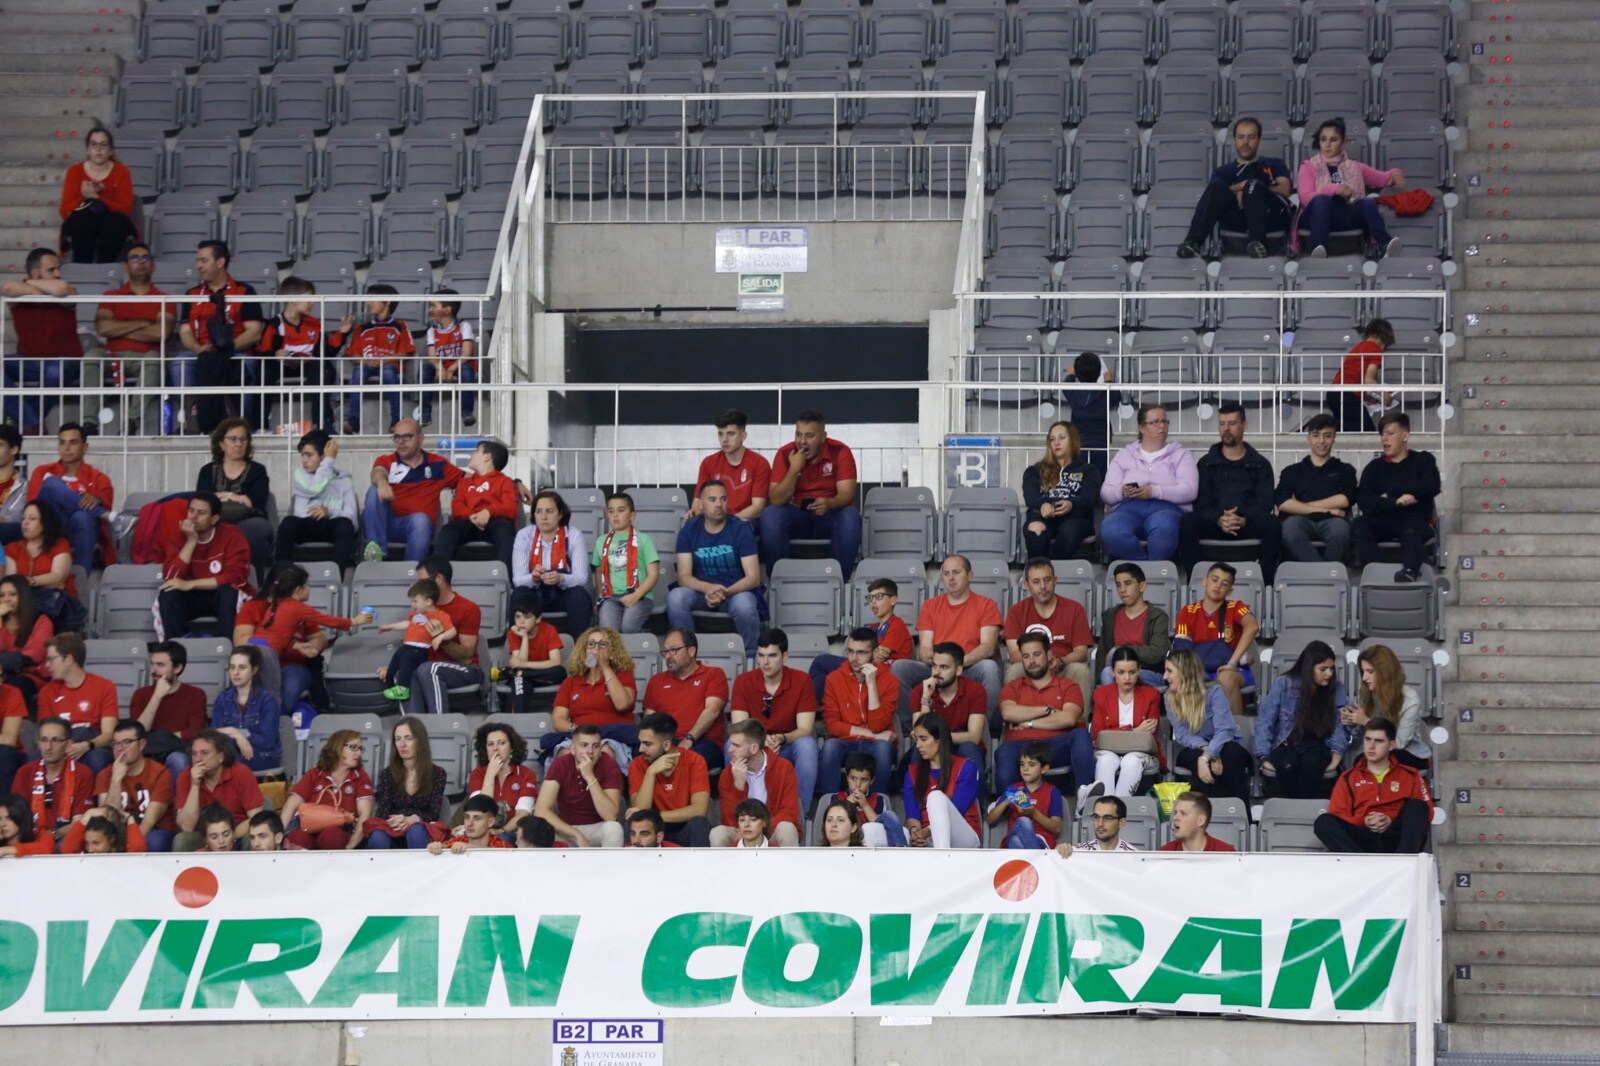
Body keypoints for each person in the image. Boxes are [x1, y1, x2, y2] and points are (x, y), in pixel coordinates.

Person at [244, 564, 372, 712]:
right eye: (308, 585)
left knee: (256, 692)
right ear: (299, 589)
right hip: (267, 653)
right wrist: (354, 621)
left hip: (251, 647)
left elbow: (272, 633)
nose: (310, 588)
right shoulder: (297, 607)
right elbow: (326, 619)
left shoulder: (276, 604)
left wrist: (297, 646)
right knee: (273, 697)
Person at [1180, 402, 1282, 583]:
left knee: (1273, 524)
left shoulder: (1260, 464)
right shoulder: (1206, 463)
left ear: (1245, 426)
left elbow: (1265, 503)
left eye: (1232, 423)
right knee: (1188, 521)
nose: (1226, 429)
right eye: (1222, 423)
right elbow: (1201, 503)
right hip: (1215, 524)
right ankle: (1194, 583)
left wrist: (1243, 519)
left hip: (1247, 524)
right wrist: (1219, 519)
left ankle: (1267, 587)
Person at [894, 554, 1002, 724]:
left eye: (956, 572)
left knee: (989, 668)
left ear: (970, 576)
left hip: (970, 668)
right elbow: (924, 649)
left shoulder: (986, 605)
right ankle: (914, 728)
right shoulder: (931, 606)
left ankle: (982, 728)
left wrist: (955, 665)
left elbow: (987, 647)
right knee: (900, 667)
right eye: (946, 574)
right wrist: (940, 666)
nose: (951, 578)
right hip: (937, 667)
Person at [996, 631, 1095, 815]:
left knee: (1081, 736)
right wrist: (1046, 710)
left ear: (1049, 656)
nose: (1031, 660)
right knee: (1003, 751)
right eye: (1026, 656)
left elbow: (1068, 718)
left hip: (1056, 746)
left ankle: (1083, 801)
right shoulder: (1013, 687)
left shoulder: (1068, 686)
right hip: (1020, 747)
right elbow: (1008, 712)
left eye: (1037, 654)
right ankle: (1012, 809)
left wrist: (1028, 723)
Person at [759, 408, 862, 577]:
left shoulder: (840, 451)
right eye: (798, 435)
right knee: (770, 515)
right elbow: (776, 499)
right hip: (795, 514)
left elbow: (847, 493)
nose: (802, 442)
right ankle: (778, 581)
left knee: (850, 516)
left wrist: (830, 503)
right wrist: (794, 468)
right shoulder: (785, 453)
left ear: (823, 437)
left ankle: (840, 582)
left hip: (828, 515)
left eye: (809, 436)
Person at [177, 240, 265, 434]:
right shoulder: (191, 294)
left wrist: (226, 348)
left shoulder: (244, 291)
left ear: (220, 262)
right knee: (180, 363)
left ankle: (245, 427)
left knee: (246, 365)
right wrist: (199, 350)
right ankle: (190, 424)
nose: (198, 266)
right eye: (198, 261)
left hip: (235, 353)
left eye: (203, 260)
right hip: (201, 353)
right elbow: (185, 332)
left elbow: (254, 332)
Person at [1177, 116, 1293, 259]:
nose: (1245, 142)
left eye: (1251, 137)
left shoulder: (1274, 164)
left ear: (1259, 139)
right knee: (1216, 187)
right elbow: (1215, 199)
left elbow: (1285, 190)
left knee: (1253, 185)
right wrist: (1239, 187)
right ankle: (1192, 243)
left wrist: (1252, 188)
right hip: (1237, 218)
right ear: (1234, 140)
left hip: (1268, 216)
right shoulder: (1223, 171)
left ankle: (1257, 243)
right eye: (1240, 137)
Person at [729, 627, 820, 810]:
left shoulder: (801, 680)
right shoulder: (743, 681)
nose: (765, 662)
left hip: (787, 744)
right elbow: (739, 728)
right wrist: (761, 743)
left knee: (807, 745)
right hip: (754, 745)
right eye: (761, 656)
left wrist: (781, 738)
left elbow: (805, 729)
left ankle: (802, 813)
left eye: (772, 656)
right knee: (729, 748)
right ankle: (740, 810)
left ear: (785, 656)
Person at [670, 480, 761, 657]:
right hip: (701, 593)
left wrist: (725, 592)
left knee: (746, 605)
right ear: (701, 504)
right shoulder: (689, 530)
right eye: (712, 499)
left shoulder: (741, 528)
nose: (719, 504)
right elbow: (683, 576)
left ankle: (751, 657)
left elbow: (753, 577)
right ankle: (687, 655)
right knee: (675, 598)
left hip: (734, 592)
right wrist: (708, 588)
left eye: (723, 499)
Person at [1315, 717, 1433, 853]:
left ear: (1391, 745)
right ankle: (1360, 862)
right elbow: (1338, 814)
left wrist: (1389, 820)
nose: (1371, 746)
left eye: (1379, 741)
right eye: (1367, 739)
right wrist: (1364, 821)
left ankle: (1403, 862)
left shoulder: (1411, 775)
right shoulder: (1348, 777)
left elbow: (1427, 814)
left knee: (1418, 806)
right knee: (1324, 822)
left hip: (1396, 838)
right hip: (1361, 838)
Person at [1293, 117, 1405, 259]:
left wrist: (1395, 174)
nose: (1327, 145)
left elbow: (1384, 178)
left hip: (1344, 216)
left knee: (1368, 202)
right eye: (1323, 139)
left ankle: (1385, 243)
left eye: (1333, 140)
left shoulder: (1355, 166)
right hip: (1315, 216)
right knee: (1322, 200)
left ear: (1342, 142)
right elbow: (1305, 197)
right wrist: (1334, 189)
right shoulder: (1308, 166)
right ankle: (1319, 250)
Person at [1099, 404, 1197, 563]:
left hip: (1167, 509)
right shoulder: (1124, 455)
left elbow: (1190, 490)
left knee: (1164, 527)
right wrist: (1122, 492)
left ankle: (1149, 572)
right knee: (1111, 529)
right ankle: (1147, 570)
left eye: (1165, 422)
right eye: (1155, 422)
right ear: (1141, 428)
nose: (1162, 426)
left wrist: (1154, 491)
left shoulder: (1180, 455)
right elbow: (1106, 493)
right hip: (1128, 509)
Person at [253, 275, 348, 432]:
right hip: (281, 367)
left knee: (321, 368)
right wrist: (276, 354)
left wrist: (342, 334)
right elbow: (262, 352)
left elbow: (325, 351)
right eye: (308, 299)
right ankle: (260, 426)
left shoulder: (314, 323)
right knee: (264, 373)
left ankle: (323, 425)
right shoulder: (275, 325)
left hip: (307, 365)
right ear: (292, 300)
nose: (313, 303)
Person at [1256, 640, 1349, 799]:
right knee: (1288, 764)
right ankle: (1292, 811)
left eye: (1331, 668)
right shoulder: (1284, 683)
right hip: (1285, 744)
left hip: (1318, 746)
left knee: (1313, 762)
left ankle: (1302, 810)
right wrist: (1262, 756)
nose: (1329, 674)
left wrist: (1336, 757)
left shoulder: (1336, 688)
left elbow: (1340, 726)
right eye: (1323, 669)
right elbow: (1265, 720)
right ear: (1308, 668)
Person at [1, 249, 82, 434]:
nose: (58, 274)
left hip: (67, 359)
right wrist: (41, 287)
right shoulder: (18, 293)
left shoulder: (67, 290)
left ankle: (24, 425)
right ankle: (32, 423)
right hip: (29, 360)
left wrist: (29, 284)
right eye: (52, 270)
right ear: (36, 273)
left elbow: (61, 289)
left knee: (55, 371)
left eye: (58, 269)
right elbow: (7, 289)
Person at [1354, 412, 1440, 583]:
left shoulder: (1423, 460)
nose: (1384, 439)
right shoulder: (1374, 467)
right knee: (1359, 525)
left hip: (1415, 520)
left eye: (1390, 433)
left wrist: (1389, 494)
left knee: (1410, 529)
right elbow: (1364, 501)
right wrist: (1396, 501)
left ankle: (1410, 572)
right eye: (1382, 434)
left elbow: (1431, 486)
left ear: (1405, 436)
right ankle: (1376, 573)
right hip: (1383, 521)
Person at [362, 421, 463, 564]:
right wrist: (382, 482)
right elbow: (378, 472)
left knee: (420, 520)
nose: (400, 442)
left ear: (421, 438)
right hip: (387, 524)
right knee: (374, 490)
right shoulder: (387, 460)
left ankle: (412, 574)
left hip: (420, 528)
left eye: (407, 436)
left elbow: (468, 480)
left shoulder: (438, 465)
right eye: (396, 437)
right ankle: (377, 554)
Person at [396, 556, 484, 717]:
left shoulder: (468, 608)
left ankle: (439, 726)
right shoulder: (420, 611)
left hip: (466, 670)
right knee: (404, 673)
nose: (418, 587)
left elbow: (467, 657)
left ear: (438, 579)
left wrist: (442, 639)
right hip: (428, 668)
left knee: (429, 668)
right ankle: (416, 729)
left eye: (422, 581)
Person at [157, 493, 254, 640]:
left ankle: (228, 651)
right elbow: (170, 576)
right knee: (168, 594)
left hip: (221, 595)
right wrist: (191, 541)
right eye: (191, 511)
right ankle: (177, 650)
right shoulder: (180, 536)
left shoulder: (231, 534)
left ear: (214, 519)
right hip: (192, 598)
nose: (193, 517)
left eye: (201, 513)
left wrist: (191, 584)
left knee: (230, 592)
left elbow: (235, 577)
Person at [25, 422, 115, 574]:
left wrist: (97, 500)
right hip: (48, 526)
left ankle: (81, 577)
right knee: (51, 483)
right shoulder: (42, 472)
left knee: (83, 517)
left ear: (85, 447)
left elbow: (104, 501)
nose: (66, 448)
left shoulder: (99, 479)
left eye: (73, 443)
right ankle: (108, 515)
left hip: (81, 530)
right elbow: (33, 507)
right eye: (62, 443)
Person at [1163, 649, 1252, 803]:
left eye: (1169, 671)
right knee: (1191, 757)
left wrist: (1208, 755)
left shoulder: (1214, 692)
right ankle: (1212, 813)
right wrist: (1207, 754)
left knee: (1232, 753)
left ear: (1185, 672)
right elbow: (1183, 734)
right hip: (1196, 747)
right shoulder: (1168, 698)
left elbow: (1224, 731)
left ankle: (1240, 817)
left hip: (1225, 744)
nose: (1165, 677)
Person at [1172, 562, 1260, 719]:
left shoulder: (1235, 606)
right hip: (1198, 671)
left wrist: (1232, 663)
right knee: (1183, 677)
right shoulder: (1188, 611)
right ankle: (1194, 737)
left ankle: (1236, 734)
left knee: (1226, 677)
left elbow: (1252, 627)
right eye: (1214, 580)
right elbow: (1183, 650)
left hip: (1233, 670)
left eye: (1224, 584)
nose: (1218, 586)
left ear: (1230, 590)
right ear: (1204, 581)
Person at [819, 627, 899, 798]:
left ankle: (877, 807)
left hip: (877, 745)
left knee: (883, 748)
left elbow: (879, 724)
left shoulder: (890, 681)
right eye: (851, 651)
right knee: (830, 747)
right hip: (847, 742)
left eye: (861, 653)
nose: (854, 659)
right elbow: (832, 726)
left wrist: (871, 685)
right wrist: (874, 735)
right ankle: (831, 807)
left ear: (875, 652)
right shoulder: (833, 679)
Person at [807, 576, 913, 700]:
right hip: (865, 667)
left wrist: (873, 655)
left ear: (893, 600)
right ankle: (812, 710)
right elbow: (874, 655)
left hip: (880, 674)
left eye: (878, 597)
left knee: (821, 661)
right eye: (870, 598)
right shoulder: (873, 628)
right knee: (821, 681)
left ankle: (807, 705)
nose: (873, 602)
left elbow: (877, 660)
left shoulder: (897, 625)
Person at [1003, 557, 1094, 698]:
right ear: (1026, 585)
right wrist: (1039, 661)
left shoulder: (1074, 609)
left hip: (1062, 665)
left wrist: (1061, 662)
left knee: (1080, 670)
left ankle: (1078, 720)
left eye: (1047, 580)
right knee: (1015, 669)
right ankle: (1013, 719)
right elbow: (1014, 653)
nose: (1043, 586)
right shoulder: (1016, 611)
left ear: (1055, 580)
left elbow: (1081, 652)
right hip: (1030, 665)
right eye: (1036, 581)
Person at [544, 626, 638, 761]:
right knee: (565, 753)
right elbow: (558, 719)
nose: (596, 649)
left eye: (603, 644)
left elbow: (622, 704)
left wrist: (604, 666)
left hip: (613, 738)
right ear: (584, 651)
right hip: (580, 737)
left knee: (604, 751)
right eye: (591, 644)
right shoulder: (570, 683)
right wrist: (578, 728)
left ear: (612, 652)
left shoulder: (623, 676)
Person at [195, 418, 273, 580]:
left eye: (243, 439)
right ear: (221, 444)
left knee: (252, 531)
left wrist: (223, 496)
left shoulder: (257, 471)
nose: (238, 444)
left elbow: (255, 503)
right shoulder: (207, 471)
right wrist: (235, 497)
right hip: (215, 520)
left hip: (249, 520)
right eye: (233, 439)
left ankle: (252, 583)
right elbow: (202, 501)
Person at [1276, 413, 1360, 564]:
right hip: (1299, 521)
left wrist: (1300, 505)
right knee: (1290, 530)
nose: (1321, 441)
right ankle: (1325, 575)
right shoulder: (1292, 471)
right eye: (1316, 435)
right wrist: (1329, 510)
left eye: (1327, 435)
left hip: (1333, 521)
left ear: (1334, 438)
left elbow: (1346, 499)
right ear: (1308, 438)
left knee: (1341, 533)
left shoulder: (1345, 470)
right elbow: (1282, 502)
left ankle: (1320, 575)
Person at [640, 628, 728, 770]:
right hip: (665, 741)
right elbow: (649, 719)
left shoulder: (713, 674)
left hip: (702, 742)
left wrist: (689, 739)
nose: (668, 656)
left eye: (674, 650)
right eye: (665, 651)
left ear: (691, 651)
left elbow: (712, 710)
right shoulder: (656, 681)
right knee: (639, 757)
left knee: (685, 761)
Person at [627, 713, 713, 848]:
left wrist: (655, 815)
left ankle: (699, 868)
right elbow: (641, 814)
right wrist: (651, 772)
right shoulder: (637, 765)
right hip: (652, 831)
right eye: (640, 743)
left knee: (699, 824)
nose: (640, 749)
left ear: (666, 744)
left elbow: (699, 810)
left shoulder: (695, 761)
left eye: (647, 744)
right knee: (635, 825)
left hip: (684, 827)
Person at [512, 490, 591, 637]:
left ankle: (580, 650)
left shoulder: (573, 534)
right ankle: (518, 650)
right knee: (519, 594)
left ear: (560, 514)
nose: (543, 517)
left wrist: (561, 578)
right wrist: (533, 578)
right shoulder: (524, 535)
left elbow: (581, 578)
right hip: (535, 592)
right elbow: (518, 580)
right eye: (538, 511)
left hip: (563, 592)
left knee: (579, 596)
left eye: (549, 511)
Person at [533, 722, 624, 848]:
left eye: (595, 746)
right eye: (584, 745)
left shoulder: (609, 764)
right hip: (566, 829)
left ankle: (607, 868)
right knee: (538, 832)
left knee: (614, 828)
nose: (590, 751)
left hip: (596, 828)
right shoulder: (561, 764)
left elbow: (610, 816)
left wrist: (590, 776)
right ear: (573, 749)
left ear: (600, 749)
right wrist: (576, 834)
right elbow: (541, 811)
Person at [713, 718, 801, 847]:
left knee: (786, 828)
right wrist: (738, 787)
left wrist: (759, 830)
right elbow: (728, 819)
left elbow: (789, 812)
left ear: (754, 748)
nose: (730, 750)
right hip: (741, 832)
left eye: (736, 745)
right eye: (731, 744)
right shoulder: (728, 774)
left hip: (772, 831)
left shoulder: (784, 768)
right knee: (717, 833)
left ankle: (787, 867)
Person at [37, 634, 118, 774]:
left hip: (91, 746)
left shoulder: (104, 686)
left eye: (51, 659)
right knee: (33, 760)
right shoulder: (47, 691)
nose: (47, 665)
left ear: (68, 659)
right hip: (58, 745)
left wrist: (87, 745)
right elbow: (45, 732)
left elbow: (109, 734)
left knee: (98, 759)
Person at [94, 242, 169, 392]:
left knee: (154, 360)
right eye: (134, 259)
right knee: (92, 356)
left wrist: (119, 328)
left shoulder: (164, 298)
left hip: (145, 356)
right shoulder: (110, 296)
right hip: (112, 355)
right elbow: (103, 328)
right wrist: (142, 323)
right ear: (125, 267)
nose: (141, 262)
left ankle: (134, 416)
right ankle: (89, 416)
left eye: (146, 259)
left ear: (153, 266)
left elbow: (159, 333)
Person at [276, 430, 358, 568]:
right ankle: (281, 575)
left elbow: (352, 519)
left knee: (345, 525)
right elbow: (315, 487)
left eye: (309, 455)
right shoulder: (300, 476)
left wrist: (329, 511)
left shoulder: (344, 481)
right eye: (302, 455)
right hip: (304, 523)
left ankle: (335, 575)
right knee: (287, 523)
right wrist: (329, 461)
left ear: (323, 456)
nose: (303, 461)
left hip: (331, 525)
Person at [1090, 646, 1164, 799]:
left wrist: (1114, 733)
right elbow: (1099, 735)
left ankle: (1118, 810)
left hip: (1142, 753)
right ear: (1112, 672)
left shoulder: (1151, 695)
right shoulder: (1101, 695)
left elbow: (1149, 737)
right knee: (1105, 760)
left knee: (1131, 760)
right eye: (1121, 672)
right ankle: (1108, 809)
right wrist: (1135, 731)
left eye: (1132, 672)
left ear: (1139, 670)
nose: (1127, 678)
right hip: (1108, 751)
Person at [128, 641, 209, 779]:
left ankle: (180, 801)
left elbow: (194, 732)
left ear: (177, 668)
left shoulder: (196, 695)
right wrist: (157, 697)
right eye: (152, 664)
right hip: (147, 753)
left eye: (160, 665)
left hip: (178, 751)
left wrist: (160, 738)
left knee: (177, 760)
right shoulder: (141, 694)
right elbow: (138, 731)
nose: (153, 670)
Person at [281, 729, 374, 850]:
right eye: (353, 747)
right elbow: (290, 806)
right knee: (297, 837)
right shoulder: (314, 774)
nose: (358, 753)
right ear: (338, 747)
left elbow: (365, 814)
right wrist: (278, 838)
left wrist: (351, 845)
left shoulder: (361, 777)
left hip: (341, 832)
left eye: (360, 749)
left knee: (331, 836)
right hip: (308, 828)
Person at [172, 730, 264, 851]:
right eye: (194, 754)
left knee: (253, 840)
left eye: (204, 753)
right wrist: (195, 785)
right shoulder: (185, 776)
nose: (198, 759)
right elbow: (186, 827)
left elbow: (257, 819)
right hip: (204, 837)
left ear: (220, 757)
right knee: (182, 840)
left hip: (238, 833)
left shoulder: (242, 773)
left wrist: (227, 837)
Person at [1023, 421, 1103, 560]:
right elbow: (1030, 496)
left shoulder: (1088, 470)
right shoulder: (1034, 471)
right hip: (1044, 514)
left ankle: (1055, 571)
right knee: (1035, 529)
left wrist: (1072, 504)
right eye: (1052, 439)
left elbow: (1090, 497)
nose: (1056, 443)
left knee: (1069, 531)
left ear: (1073, 440)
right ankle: (1038, 572)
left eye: (1062, 437)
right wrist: (1042, 504)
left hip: (1076, 516)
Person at [432, 441, 518, 569]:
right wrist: (471, 515)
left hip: (495, 521)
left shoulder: (504, 481)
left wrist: (488, 512)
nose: (472, 454)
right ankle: (437, 575)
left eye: (476, 451)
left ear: (487, 456)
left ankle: (505, 576)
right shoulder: (464, 482)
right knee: (448, 530)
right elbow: (457, 506)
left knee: (505, 531)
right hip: (469, 521)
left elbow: (510, 508)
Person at [341, 284, 414, 433]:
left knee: (387, 372)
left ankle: (396, 419)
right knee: (359, 371)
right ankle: (353, 420)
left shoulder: (400, 326)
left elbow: (405, 353)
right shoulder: (362, 328)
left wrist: (383, 360)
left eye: (373, 299)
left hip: (389, 365)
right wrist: (366, 361)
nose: (369, 303)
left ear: (387, 301)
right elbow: (353, 354)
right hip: (366, 364)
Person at [95, 719, 176, 852]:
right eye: (116, 743)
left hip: (153, 832)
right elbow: (108, 820)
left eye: (127, 742)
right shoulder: (105, 775)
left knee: (155, 841)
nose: (120, 748)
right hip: (119, 835)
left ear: (142, 744)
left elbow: (149, 823)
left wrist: (127, 850)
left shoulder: (160, 773)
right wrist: (115, 780)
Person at [902, 714, 982, 849]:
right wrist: (916, 833)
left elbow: (957, 809)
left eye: (923, 739)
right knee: (902, 832)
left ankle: (941, 856)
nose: (918, 745)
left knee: (936, 797)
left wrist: (926, 831)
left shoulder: (966, 767)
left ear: (939, 739)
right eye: (916, 740)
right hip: (927, 838)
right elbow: (912, 814)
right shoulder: (911, 773)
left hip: (963, 834)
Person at [1347, 643, 1431, 770]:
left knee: (1377, 759)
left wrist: (1366, 721)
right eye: (1363, 672)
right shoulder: (1366, 693)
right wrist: (1353, 722)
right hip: (1377, 751)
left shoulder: (1410, 699)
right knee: (1362, 760)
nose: (1364, 678)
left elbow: (1399, 743)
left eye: (1370, 672)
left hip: (1409, 753)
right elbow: (1362, 739)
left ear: (1384, 673)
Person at [58, 127, 136, 263]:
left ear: (110, 150)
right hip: (83, 224)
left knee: (116, 220)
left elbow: (125, 209)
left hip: (111, 225)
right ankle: (83, 267)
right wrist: (86, 198)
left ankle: (103, 269)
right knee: (82, 217)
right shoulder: (75, 171)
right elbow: (65, 210)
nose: (98, 149)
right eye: (93, 144)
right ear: (88, 149)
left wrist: (96, 197)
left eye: (103, 144)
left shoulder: (122, 172)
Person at [374, 579, 457, 702]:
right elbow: (407, 624)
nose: (412, 604)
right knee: (397, 657)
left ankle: (403, 689)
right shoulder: (416, 614)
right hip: (407, 647)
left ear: (428, 601)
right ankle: (391, 684)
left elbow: (452, 631)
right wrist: (390, 627)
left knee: (407, 658)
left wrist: (440, 637)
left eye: (415, 601)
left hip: (421, 650)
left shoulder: (441, 615)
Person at [911, 642, 987, 769]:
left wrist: (935, 737)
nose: (936, 672)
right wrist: (926, 699)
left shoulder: (976, 691)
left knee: (968, 748)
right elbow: (919, 736)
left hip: (962, 747)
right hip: (933, 748)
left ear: (958, 670)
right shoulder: (921, 691)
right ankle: (918, 789)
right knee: (918, 750)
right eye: (934, 666)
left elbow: (974, 737)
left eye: (944, 667)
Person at [15, 717, 94, 840]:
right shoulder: (25, 772)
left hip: (64, 840)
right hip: (29, 839)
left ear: (68, 745)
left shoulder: (83, 773)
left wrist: (51, 836)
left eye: (55, 740)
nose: (48, 747)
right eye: (43, 740)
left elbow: (80, 823)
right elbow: (16, 819)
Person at [592, 492, 660, 634]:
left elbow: (653, 574)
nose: (615, 515)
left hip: (639, 596)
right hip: (610, 597)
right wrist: (600, 598)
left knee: (629, 627)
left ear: (632, 515)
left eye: (621, 510)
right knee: (608, 631)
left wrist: (636, 595)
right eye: (611, 511)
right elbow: (598, 572)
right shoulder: (601, 541)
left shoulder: (644, 539)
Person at [210, 645, 282, 774]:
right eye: (232, 667)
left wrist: (238, 734)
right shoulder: (223, 698)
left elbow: (267, 741)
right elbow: (214, 735)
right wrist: (236, 736)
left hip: (262, 756)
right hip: (231, 755)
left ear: (254, 670)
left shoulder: (267, 701)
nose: (235, 672)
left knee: (226, 762)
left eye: (242, 667)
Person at [1095, 563, 1171, 687]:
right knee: (1108, 673)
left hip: (1148, 671)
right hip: (1116, 671)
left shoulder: (1158, 616)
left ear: (1142, 586)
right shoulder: (1110, 616)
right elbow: (1102, 654)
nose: (1122, 590)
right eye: (1118, 585)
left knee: (1115, 674)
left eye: (1128, 584)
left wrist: (1120, 650)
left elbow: (1157, 653)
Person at [690, 409, 771, 522]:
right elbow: (697, 501)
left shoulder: (760, 463)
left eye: (730, 434)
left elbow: (758, 508)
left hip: (743, 522)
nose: (724, 440)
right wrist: (696, 510)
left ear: (743, 436)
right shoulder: (708, 463)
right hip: (714, 521)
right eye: (720, 434)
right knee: (690, 523)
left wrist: (728, 522)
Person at [987, 741, 1064, 850]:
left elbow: (1056, 828)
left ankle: (1035, 856)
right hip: (1019, 839)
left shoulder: (1052, 792)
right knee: (1020, 827)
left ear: (1044, 769)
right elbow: (990, 820)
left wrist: (1033, 813)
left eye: (1031, 764)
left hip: (1041, 841)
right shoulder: (1013, 789)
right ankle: (1038, 860)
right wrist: (1007, 802)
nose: (1025, 768)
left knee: (1016, 841)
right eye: (1022, 764)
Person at [467, 721, 540, 835]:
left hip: (513, 832)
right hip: (481, 831)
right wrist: (490, 774)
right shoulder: (477, 773)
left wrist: (501, 831)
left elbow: (522, 814)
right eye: (490, 744)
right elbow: (479, 810)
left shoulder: (527, 774)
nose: (495, 748)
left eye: (501, 743)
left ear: (512, 748)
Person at [1326, 319, 1396, 434]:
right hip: (1347, 395)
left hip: (1333, 393)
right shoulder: (1375, 350)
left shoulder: (1356, 349)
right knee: (1368, 432)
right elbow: (1368, 380)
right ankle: (1326, 426)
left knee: (1349, 430)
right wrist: (1385, 394)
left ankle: (1328, 427)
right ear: (1384, 338)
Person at [1, 567, 58, 707]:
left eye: (12, 594)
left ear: (23, 595)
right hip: (3, 673)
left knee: (14, 688)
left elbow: (36, 654)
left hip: (30, 675)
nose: (6, 600)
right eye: (1, 595)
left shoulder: (42, 621)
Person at [421, 290, 478, 428]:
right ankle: (425, 413)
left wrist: (451, 369)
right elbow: (432, 356)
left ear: (447, 309)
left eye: (434, 306)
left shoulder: (464, 326)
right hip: (441, 366)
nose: (430, 309)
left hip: (461, 365)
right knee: (424, 371)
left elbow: (466, 353)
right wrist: (439, 368)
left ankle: (467, 412)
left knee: (466, 372)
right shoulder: (431, 331)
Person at [503, 591, 566, 714]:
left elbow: (555, 662)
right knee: (519, 681)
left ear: (538, 619)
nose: (521, 622)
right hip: (526, 679)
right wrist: (524, 637)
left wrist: (524, 667)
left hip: (544, 674)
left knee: (560, 672)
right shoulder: (513, 633)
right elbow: (518, 662)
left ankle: (512, 674)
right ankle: (519, 721)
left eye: (527, 617)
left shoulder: (549, 630)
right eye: (517, 617)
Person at [1061, 352, 1120, 470]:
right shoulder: (1105, 392)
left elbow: (1066, 383)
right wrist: (1109, 381)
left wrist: (1072, 374)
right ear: (1099, 373)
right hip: (1101, 444)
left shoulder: (1074, 393)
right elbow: (1116, 397)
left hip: (1078, 444)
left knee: (1079, 477)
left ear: (1078, 374)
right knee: (1099, 478)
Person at [836, 753, 907, 847]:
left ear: (871, 780)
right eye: (853, 778)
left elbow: (880, 828)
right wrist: (846, 805)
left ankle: (900, 849)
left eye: (864, 780)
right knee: (868, 828)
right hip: (845, 842)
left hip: (873, 844)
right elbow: (833, 825)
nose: (858, 784)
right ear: (847, 777)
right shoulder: (837, 798)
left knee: (899, 825)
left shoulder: (879, 800)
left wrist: (865, 806)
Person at [430, 794, 513, 854]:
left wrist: (473, 848)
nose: (470, 823)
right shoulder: (455, 842)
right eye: (467, 817)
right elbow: (441, 848)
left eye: (477, 818)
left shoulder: (503, 847)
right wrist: (434, 848)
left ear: (490, 822)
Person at [1160, 791, 1238, 852]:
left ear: (1200, 820)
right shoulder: (1165, 853)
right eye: (1175, 813)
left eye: (1183, 813)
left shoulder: (1226, 853)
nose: (1175, 818)